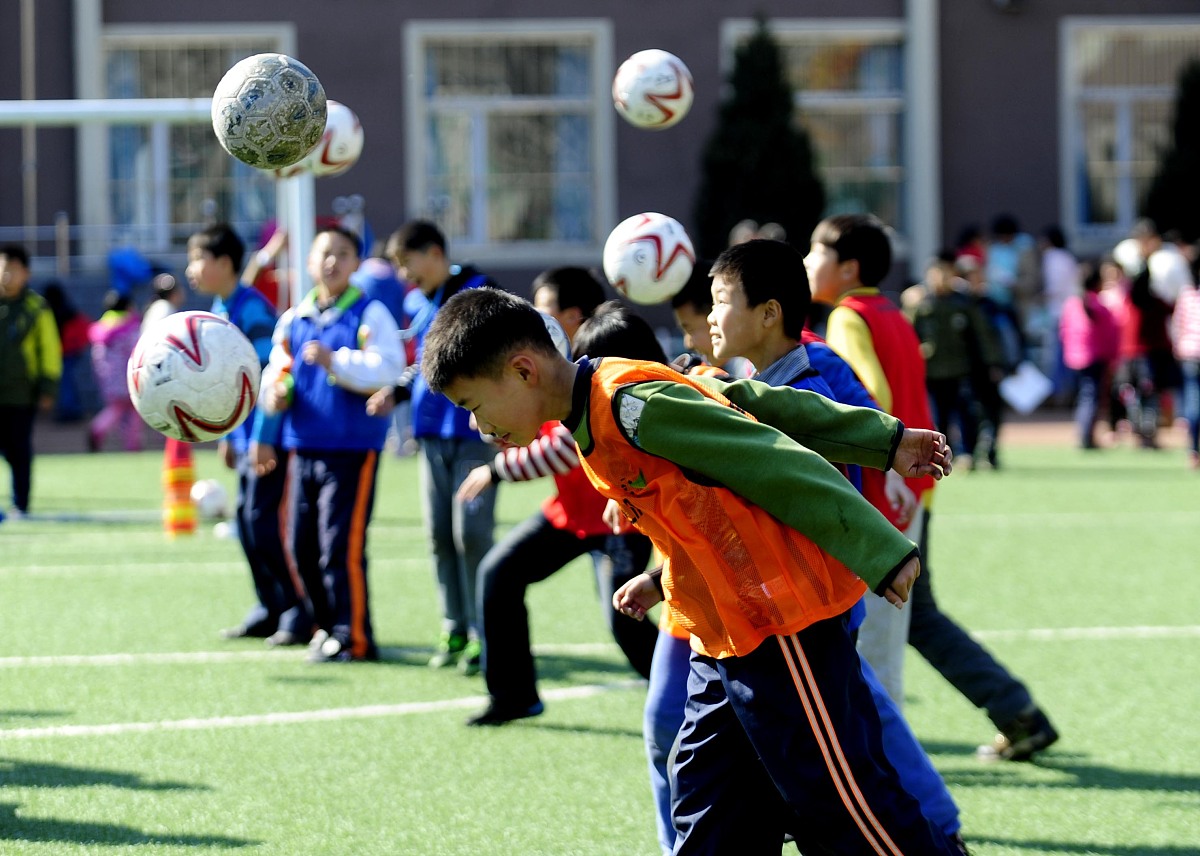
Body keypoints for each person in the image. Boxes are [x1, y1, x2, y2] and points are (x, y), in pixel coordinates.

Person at [420, 285, 959, 854]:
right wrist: (660, 581)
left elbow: (770, 455)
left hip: (783, 626)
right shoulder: (593, 411)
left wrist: (880, 546)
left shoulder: (631, 405)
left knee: (848, 810)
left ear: (523, 370)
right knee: (709, 808)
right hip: (722, 636)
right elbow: (746, 401)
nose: (481, 430)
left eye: (476, 406)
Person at [695, 238, 964, 851]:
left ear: (768, 313)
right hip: (765, 609)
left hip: (812, 607)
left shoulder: (815, 379)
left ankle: (938, 831)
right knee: (818, 762)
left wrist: (882, 536)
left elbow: (857, 448)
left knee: (851, 770)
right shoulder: (742, 385)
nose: (710, 317)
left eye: (719, 302)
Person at [807, 213, 1059, 761]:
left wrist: (884, 467)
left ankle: (879, 761)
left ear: (846, 268)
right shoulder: (894, 312)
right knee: (917, 616)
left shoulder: (848, 319)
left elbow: (866, 398)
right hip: (915, 490)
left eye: (815, 252)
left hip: (883, 493)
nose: (807, 263)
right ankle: (1018, 712)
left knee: (872, 639)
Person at [460, 299, 658, 724]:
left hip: (621, 515)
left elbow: (560, 450)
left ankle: (678, 693)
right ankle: (514, 695)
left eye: (547, 308)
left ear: (575, 318)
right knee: (499, 573)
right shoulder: (540, 381)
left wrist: (497, 470)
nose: (537, 318)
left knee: (625, 617)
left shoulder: (595, 380)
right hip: (570, 515)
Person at [261, 226, 404, 662]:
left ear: (356, 264)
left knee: (339, 548)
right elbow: (277, 369)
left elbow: (387, 367)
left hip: (351, 448)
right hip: (301, 446)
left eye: (343, 254)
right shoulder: (295, 317)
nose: (332, 262)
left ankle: (355, 637)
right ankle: (326, 627)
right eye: (325, 253)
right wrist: (277, 393)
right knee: (302, 548)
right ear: (308, 262)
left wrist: (334, 362)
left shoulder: (369, 312)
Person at [376, 220, 500, 672]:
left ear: (433, 252)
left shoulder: (479, 289)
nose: (407, 277)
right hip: (430, 434)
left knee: (472, 534)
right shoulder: (418, 301)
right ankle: (454, 626)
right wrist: (397, 391)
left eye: (409, 265)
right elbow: (422, 363)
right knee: (439, 536)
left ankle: (486, 633)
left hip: (473, 433)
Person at [187, 223, 310, 647]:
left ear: (223, 263)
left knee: (264, 524)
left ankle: (299, 611)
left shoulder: (252, 310)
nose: (191, 269)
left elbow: (267, 381)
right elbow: (230, 387)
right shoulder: (222, 308)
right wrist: (228, 436)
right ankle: (270, 606)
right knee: (245, 520)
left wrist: (262, 438)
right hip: (245, 441)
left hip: (267, 441)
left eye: (197, 258)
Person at [908, 251, 1005, 467]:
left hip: (960, 368)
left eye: (946, 272)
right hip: (932, 369)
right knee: (937, 415)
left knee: (965, 413)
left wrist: (992, 362)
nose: (941, 277)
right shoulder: (921, 303)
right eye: (937, 273)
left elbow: (981, 335)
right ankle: (941, 453)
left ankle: (966, 453)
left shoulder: (962, 302)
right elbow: (908, 335)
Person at [0, 245, 61, 519]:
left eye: (12, 269)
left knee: (19, 450)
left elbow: (49, 349)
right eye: (2, 267)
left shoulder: (35, 307)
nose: (5, 274)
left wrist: (47, 387)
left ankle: (20, 504)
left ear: (26, 273)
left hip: (20, 395)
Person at [1059, 263, 1120, 450]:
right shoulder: (1100, 307)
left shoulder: (1072, 304)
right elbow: (1111, 336)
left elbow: (1063, 331)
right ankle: (1086, 436)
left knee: (1084, 396)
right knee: (1091, 397)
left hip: (1076, 358)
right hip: (1095, 358)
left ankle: (1084, 433)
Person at [87, 290, 143, 453]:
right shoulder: (129, 326)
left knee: (116, 408)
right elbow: (136, 350)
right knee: (133, 409)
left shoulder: (102, 327)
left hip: (108, 377)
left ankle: (98, 428)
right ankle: (132, 443)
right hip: (127, 376)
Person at [40, 282, 92, 422]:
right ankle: (73, 409)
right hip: (70, 350)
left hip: (65, 351)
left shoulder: (55, 309)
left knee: (65, 382)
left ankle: (70, 411)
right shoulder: (66, 307)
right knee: (68, 381)